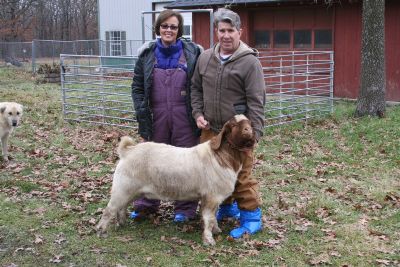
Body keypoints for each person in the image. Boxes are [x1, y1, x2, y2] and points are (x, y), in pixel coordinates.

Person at [191, 8, 265, 238]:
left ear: (240, 32)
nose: (225, 35)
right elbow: (195, 88)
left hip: (237, 135)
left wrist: (254, 136)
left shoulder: (249, 63)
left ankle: (252, 217)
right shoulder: (205, 58)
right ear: (216, 31)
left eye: (230, 30)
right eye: (221, 30)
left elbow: (257, 101)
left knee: (241, 176)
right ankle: (225, 208)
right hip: (211, 130)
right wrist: (197, 113)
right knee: (213, 175)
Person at [131, 10, 202, 223]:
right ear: (158, 28)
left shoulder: (193, 52)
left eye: (173, 26)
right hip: (156, 116)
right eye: (164, 26)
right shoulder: (147, 54)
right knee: (152, 163)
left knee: (186, 164)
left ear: (179, 29)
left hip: (184, 116)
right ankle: (146, 205)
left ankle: (185, 209)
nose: (168, 30)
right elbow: (137, 87)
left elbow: (199, 85)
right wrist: (141, 111)